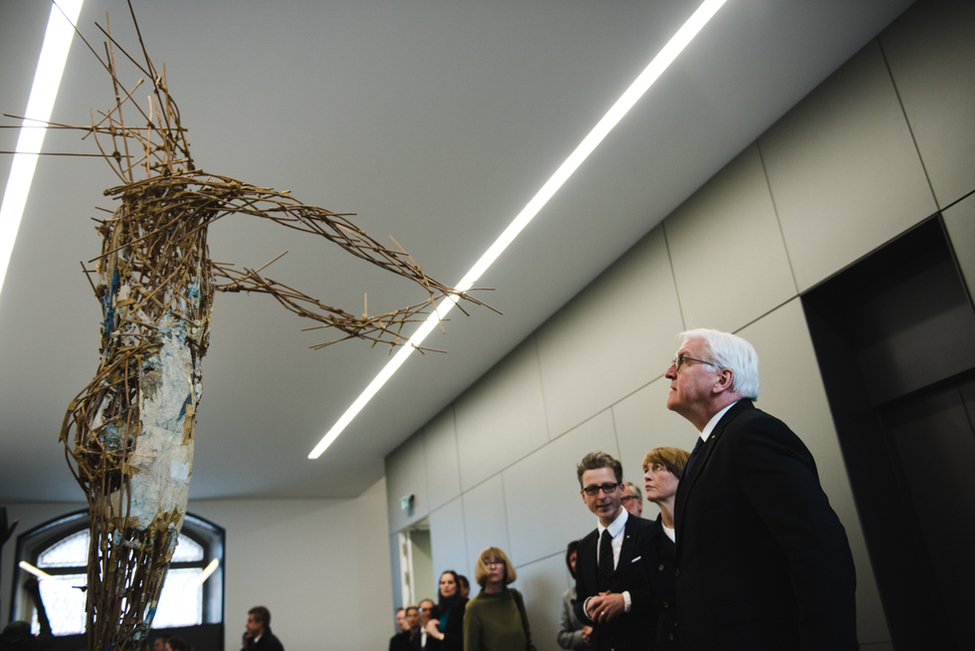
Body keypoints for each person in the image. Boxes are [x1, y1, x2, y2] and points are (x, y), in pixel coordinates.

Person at [666, 328, 858, 650]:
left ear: (722, 379)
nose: (669, 371)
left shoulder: (752, 433)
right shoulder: (709, 446)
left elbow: (819, 549)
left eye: (682, 361)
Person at [573, 452, 657, 650]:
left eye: (608, 487)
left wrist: (626, 601)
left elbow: (668, 594)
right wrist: (589, 606)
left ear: (620, 489)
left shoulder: (651, 533)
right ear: (584, 496)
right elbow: (578, 604)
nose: (602, 496)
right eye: (592, 489)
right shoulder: (584, 547)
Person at [642, 447, 690, 650]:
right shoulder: (647, 539)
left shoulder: (707, 525)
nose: (647, 476)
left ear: (682, 474)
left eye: (658, 468)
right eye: (646, 469)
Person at [463, 547, 535, 651]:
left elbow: (527, 638)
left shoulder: (515, 596)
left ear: (505, 567)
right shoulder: (474, 607)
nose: (492, 567)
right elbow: (470, 648)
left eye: (497, 562)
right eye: (486, 563)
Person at [556, 540, 590, 650]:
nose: (576, 562)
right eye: (573, 559)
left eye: (579, 557)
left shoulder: (603, 587)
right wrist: (582, 636)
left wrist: (596, 633)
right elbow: (561, 637)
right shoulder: (567, 596)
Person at [425, 570, 467, 650]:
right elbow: (431, 642)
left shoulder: (465, 606)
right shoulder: (435, 609)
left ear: (457, 587)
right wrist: (429, 629)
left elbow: (466, 638)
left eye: (450, 582)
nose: (446, 586)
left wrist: (440, 635)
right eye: (442, 583)